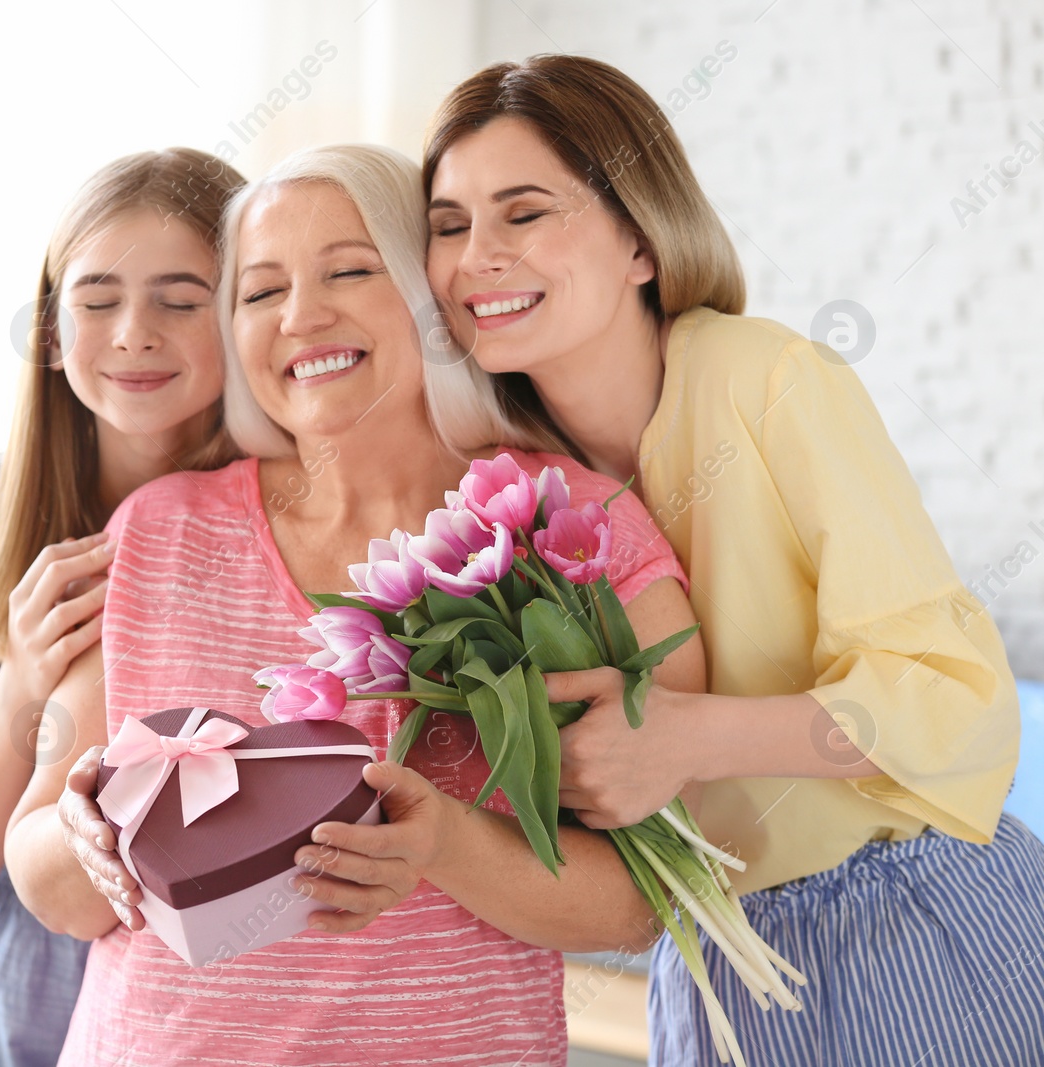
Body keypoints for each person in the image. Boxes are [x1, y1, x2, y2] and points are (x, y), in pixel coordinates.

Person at [4, 144, 706, 1066]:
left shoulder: (580, 530)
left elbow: (650, 896)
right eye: (259, 292)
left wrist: (448, 845)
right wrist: (87, 833)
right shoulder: (155, 532)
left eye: (349, 270)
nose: (301, 316)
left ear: (432, 294)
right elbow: (50, 882)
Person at [422, 55, 1044, 1065]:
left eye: (523, 212)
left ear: (637, 238)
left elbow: (956, 698)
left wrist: (687, 736)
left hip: (906, 925)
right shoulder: (512, 490)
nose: (472, 257)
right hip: (711, 972)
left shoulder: (765, 379)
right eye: (447, 225)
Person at [0, 147, 244, 1067]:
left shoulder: (281, 524)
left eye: (182, 299)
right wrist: (22, 679)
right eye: (97, 301)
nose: (134, 331)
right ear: (51, 333)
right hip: (4, 1010)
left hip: (190, 1008)